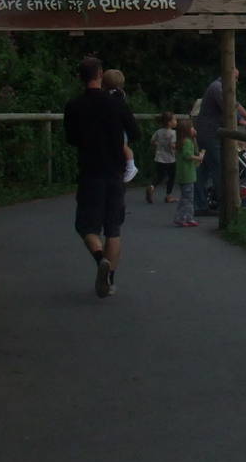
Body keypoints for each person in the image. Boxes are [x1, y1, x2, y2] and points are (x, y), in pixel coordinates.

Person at [63, 55, 140, 298]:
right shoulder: (116, 104)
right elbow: (135, 132)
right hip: (115, 172)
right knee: (113, 229)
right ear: (100, 74)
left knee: (86, 226)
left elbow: (71, 138)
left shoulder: (74, 106)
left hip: (90, 172)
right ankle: (110, 279)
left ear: (80, 77)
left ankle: (100, 260)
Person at [194, 67, 246, 215]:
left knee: (204, 170)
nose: (236, 81)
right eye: (235, 77)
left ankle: (200, 205)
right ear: (228, 76)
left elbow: (236, 104)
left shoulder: (221, 88)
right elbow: (228, 108)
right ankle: (224, 205)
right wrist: (243, 122)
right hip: (210, 134)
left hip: (208, 133)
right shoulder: (218, 88)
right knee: (219, 168)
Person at [102, 68, 139, 182]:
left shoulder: (105, 97)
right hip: (119, 134)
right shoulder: (120, 98)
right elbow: (133, 129)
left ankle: (131, 166)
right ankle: (130, 165)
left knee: (124, 146)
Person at [173, 118, 204, 227]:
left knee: (186, 197)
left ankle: (187, 217)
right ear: (186, 130)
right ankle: (182, 218)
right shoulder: (187, 142)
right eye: (192, 127)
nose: (194, 129)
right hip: (187, 175)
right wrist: (198, 158)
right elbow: (187, 155)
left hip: (184, 174)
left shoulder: (183, 141)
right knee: (188, 198)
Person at [147, 111, 177, 203]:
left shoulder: (158, 131)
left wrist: (159, 144)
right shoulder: (173, 133)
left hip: (159, 157)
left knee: (159, 176)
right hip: (170, 159)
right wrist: (177, 148)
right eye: (174, 120)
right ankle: (168, 196)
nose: (176, 121)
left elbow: (152, 141)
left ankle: (152, 186)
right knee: (171, 177)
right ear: (169, 122)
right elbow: (172, 145)